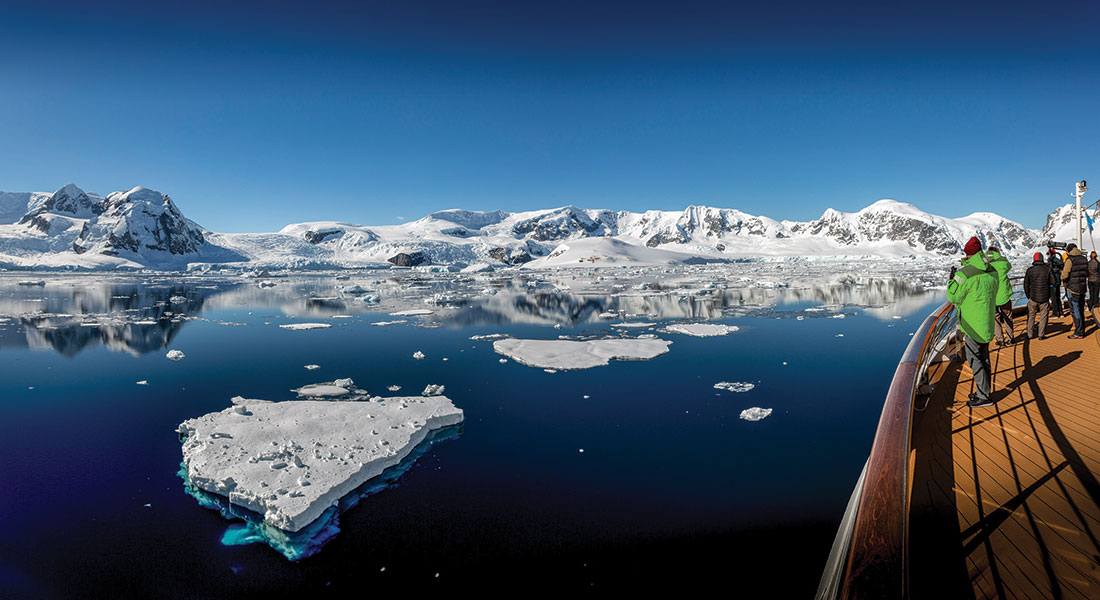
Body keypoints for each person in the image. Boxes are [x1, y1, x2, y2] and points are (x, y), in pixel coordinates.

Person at [947, 236, 999, 407]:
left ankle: (984, 397)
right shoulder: (992, 271)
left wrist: (952, 280)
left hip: (972, 325)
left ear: (967, 253)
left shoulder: (964, 274)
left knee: (974, 359)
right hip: (987, 323)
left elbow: (953, 296)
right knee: (984, 357)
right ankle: (983, 391)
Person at [986, 245, 1014, 346]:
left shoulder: (983, 262)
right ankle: (1011, 338)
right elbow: (1009, 266)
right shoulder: (1003, 261)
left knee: (995, 318)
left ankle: (1000, 339)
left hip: (991, 296)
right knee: (1008, 316)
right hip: (1004, 295)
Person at [1023, 251, 1055, 339]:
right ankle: (1041, 334)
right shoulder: (1047, 269)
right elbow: (1053, 281)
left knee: (1031, 316)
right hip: (1044, 297)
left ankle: (1030, 334)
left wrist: (1028, 296)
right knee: (1043, 316)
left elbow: (1026, 284)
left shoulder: (1030, 270)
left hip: (1033, 297)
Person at [1062, 243, 1089, 338]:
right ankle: (1082, 329)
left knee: (1076, 309)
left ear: (1069, 251)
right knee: (1081, 309)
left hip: (1073, 289)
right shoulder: (1084, 259)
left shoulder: (1070, 260)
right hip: (1082, 288)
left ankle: (1079, 332)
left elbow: (1065, 275)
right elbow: (1087, 272)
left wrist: (1062, 276)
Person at [1049, 248, 1065, 317]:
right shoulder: (1058, 261)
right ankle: (1061, 312)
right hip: (1058, 281)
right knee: (1058, 297)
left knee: (1053, 298)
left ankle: (1055, 313)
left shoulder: (1050, 261)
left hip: (1052, 283)